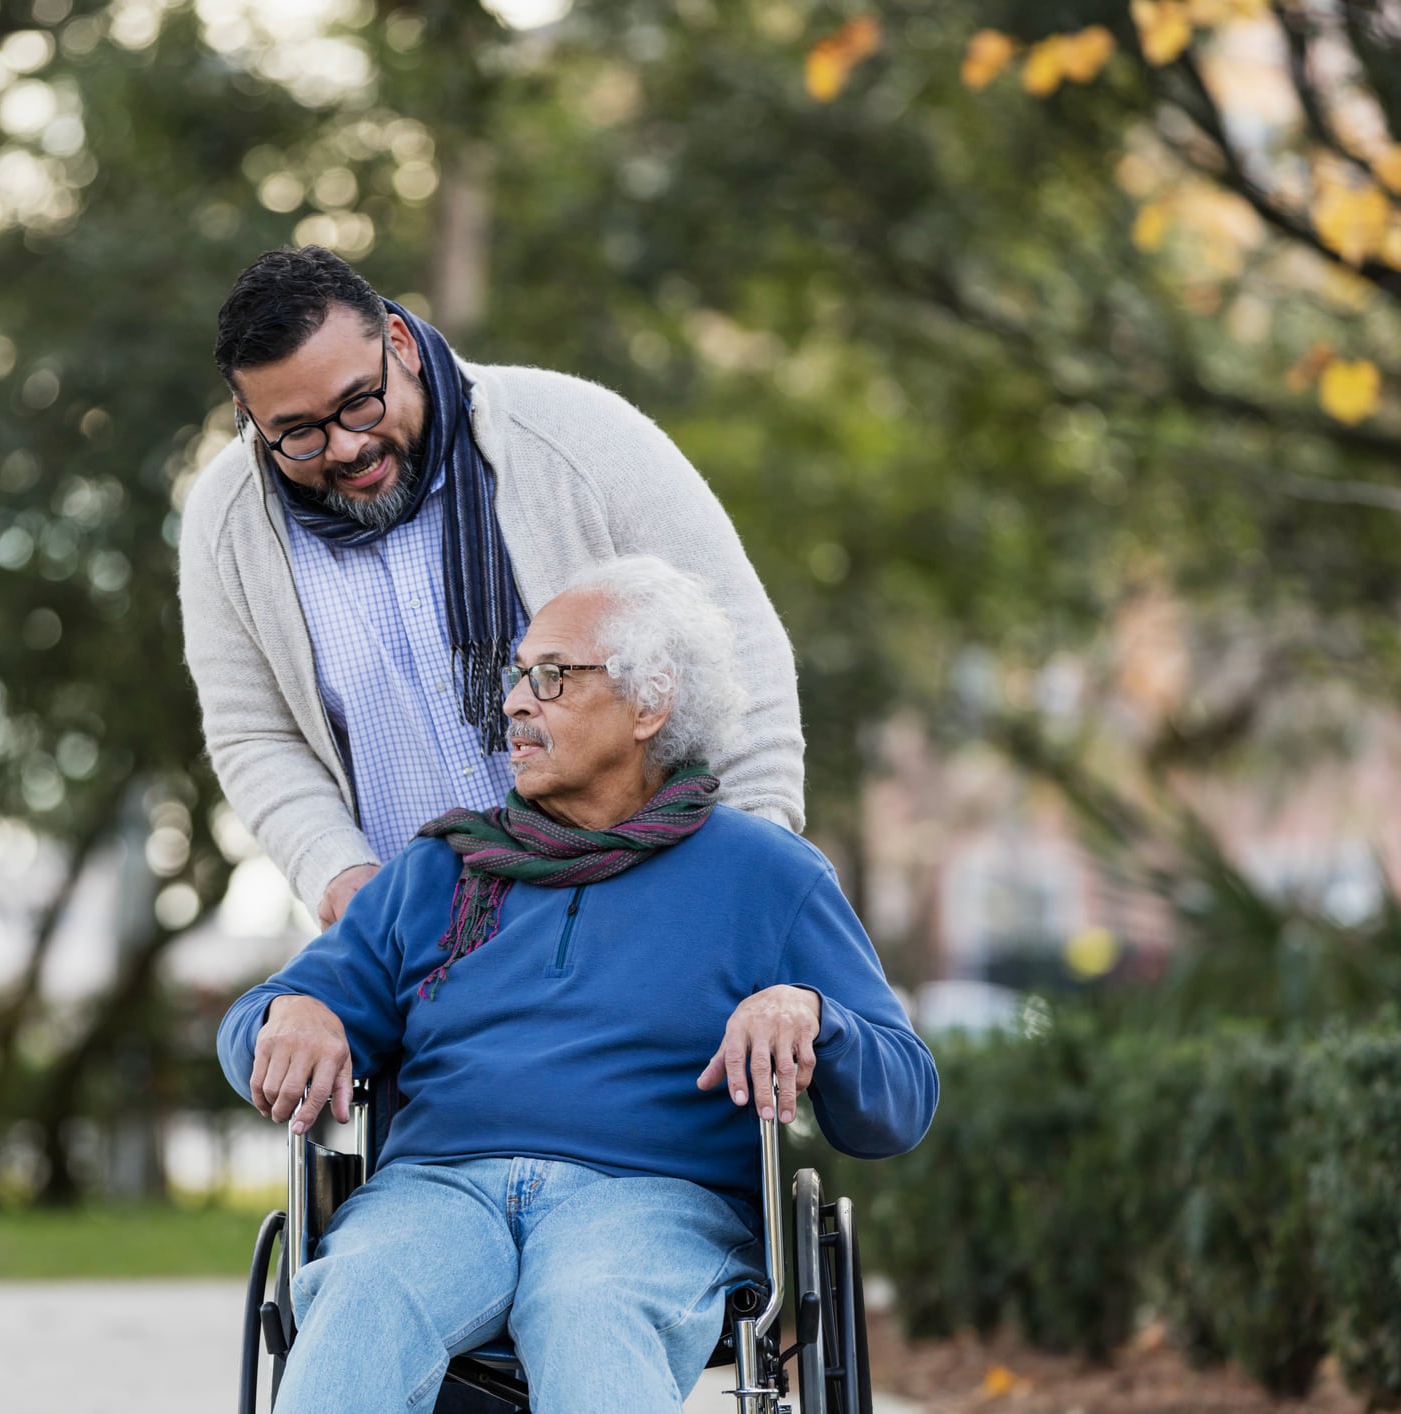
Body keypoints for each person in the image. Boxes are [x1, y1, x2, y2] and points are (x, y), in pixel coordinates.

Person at [217, 556, 937, 1414]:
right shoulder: (440, 870)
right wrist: (287, 1015)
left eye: (552, 677)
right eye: (516, 676)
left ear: (649, 703)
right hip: (438, 1192)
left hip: (653, 1203)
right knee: (361, 1289)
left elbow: (900, 1102)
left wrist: (812, 1015)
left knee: (584, 1305)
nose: (516, 702)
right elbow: (256, 1025)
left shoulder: (765, 875)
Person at [179, 247, 805, 928]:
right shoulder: (226, 522)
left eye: (359, 403)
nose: (343, 447)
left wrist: (749, 875)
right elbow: (253, 734)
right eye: (296, 433)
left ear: (399, 343)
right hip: (428, 956)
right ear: (247, 414)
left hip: (647, 918)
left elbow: (736, 650)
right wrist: (337, 873)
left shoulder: (580, 435)